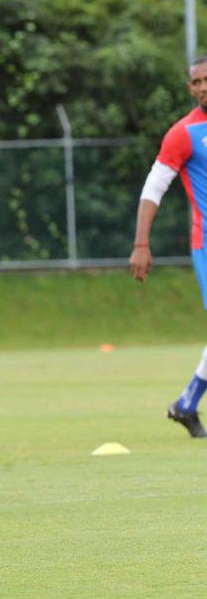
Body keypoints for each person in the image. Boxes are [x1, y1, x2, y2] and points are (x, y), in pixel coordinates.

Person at [130, 55, 207, 439]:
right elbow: (154, 187)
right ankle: (187, 403)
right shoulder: (183, 133)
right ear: (189, 88)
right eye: (197, 82)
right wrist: (141, 243)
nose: (203, 87)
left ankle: (186, 405)